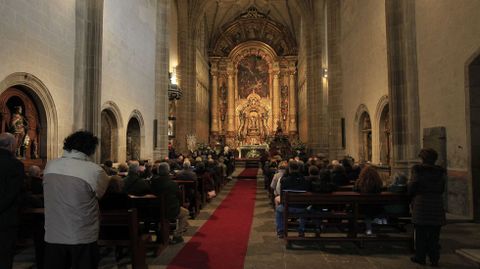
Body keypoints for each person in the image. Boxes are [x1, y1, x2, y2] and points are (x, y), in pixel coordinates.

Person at [43, 131, 110, 269]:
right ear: (90, 149)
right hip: (81, 234)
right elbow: (101, 194)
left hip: (53, 234)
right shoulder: (95, 170)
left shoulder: (50, 166)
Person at [409, 148, 446, 267]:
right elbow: (442, 188)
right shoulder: (440, 171)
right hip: (436, 202)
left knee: (420, 232)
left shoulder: (418, 169)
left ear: (422, 158)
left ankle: (420, 257)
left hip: (422, 202)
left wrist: (410, 192)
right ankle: (434, 258)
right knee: (434, 233)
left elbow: (414, 184)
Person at [0, 133, 26, 269]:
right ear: (11, 145)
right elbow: (12, 193)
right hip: (6, 218)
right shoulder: (15, 165)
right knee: (4, 257)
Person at [150, 162, 189, 244]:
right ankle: (177, 235)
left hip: (154, 210)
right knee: (185, 213)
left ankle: (162, 233)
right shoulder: (172, 184)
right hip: (169, 210)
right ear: (168, 171)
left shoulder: (152, 183)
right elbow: (179, 196)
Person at [275, 161, 310, 238]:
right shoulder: (305, 180)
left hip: (288, 207)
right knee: (305, 211)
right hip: (302, 207)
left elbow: (281, 194)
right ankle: (301, 230)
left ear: (289, 169)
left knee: (278, 210)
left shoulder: (284, 180)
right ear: (298, 169)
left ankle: (281, 231)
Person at [354, 165, 384, 235]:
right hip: (376, 207)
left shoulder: (359, 182)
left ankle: (368, 228)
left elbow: (355, 190)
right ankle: (371, 227)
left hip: (361, 208)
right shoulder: (378, 182)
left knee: (365, 210)